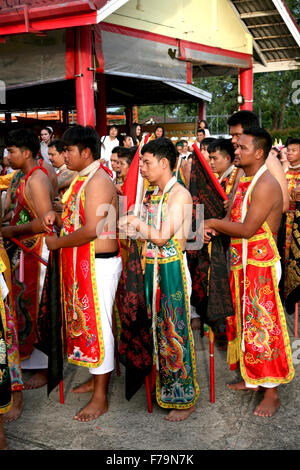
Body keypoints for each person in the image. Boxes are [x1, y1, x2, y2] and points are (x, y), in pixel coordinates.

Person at [204, 127, 294, 417]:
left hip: (261, 265)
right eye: (236, 146)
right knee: (245, 323)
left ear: (258, 152)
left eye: (242, 147)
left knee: (265, 327)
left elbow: (246, 229)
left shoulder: (266, 183)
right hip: (242, 262)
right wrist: (215, 224)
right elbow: (234, 217)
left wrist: (214, 223)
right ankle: (253, 376)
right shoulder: (244, 179)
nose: (236, 151)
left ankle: (272, 391)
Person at [43, 125, 122, 422]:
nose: (64, 155)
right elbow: (76, 217)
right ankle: (95, 377)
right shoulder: (82, 178)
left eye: (68, 150)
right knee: (87, 323)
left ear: (86, 152)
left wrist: (57, 242)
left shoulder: (99, 179)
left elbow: (93, 229)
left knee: (99, 325)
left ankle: (101, 395)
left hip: (98, 261)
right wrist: (56, 214)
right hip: (83, 261)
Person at [119, 137, 199, 422]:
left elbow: (163, 236)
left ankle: (184, 398)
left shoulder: (180, 195)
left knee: (173, 332)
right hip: (150, 268)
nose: (141, 167)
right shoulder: (153, 193)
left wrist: (137, 223)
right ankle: (163, 387)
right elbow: (145, 233)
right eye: (141, 162)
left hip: (171, 270)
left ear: (164, 163)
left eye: (146, 162)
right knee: (154, 330)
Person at [2, 129, 53, 390]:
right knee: (22, 307)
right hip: (22, 249)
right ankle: (28, 362)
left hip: (37, 250)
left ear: (27, 153)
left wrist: (12, 230)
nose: (7, 157)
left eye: (11, 152)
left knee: (36, 307)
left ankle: (44, 367)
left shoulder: (37, 179)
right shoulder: (21, 176)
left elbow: (46, 222)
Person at [228, 110, 289, 213]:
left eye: (237, 135)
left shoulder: (269, 161)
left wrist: (251, 218)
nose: (233, 140)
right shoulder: (243, 161)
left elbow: (283, 205)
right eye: (232, 135)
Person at [283, 139, 300, 290]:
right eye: (288, 150)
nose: (289, 153)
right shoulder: (285, 171)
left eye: (293, 150)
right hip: (285, 220)